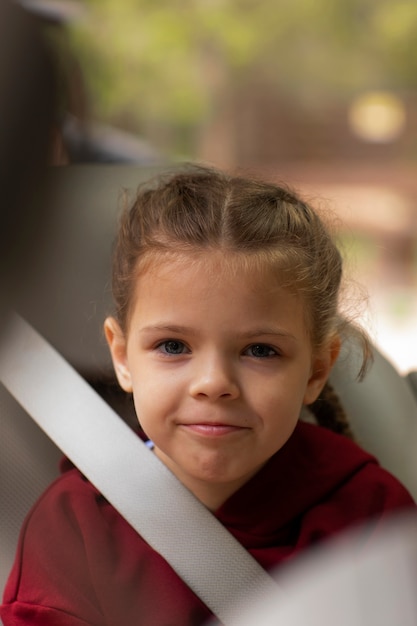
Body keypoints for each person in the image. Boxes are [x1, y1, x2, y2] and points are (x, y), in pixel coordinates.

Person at [1, 166, 415, 625]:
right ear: (122, 357)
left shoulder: (372, 515)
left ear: (317, 369)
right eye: (173, 346)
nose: (214, 382)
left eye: (261, 350)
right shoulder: (74, 527)